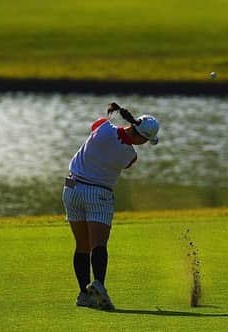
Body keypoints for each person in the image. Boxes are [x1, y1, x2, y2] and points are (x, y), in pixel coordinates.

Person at [62, 102, 159, 310]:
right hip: (98, 194)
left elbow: (96, 126)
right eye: (146, 140)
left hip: (71, 189)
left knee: (82, 245)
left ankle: (83, 295)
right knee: (99, 244)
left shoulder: (104, 127)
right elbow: (125, 158)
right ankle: (98, 284)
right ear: (141, 137)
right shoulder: (130, 156)